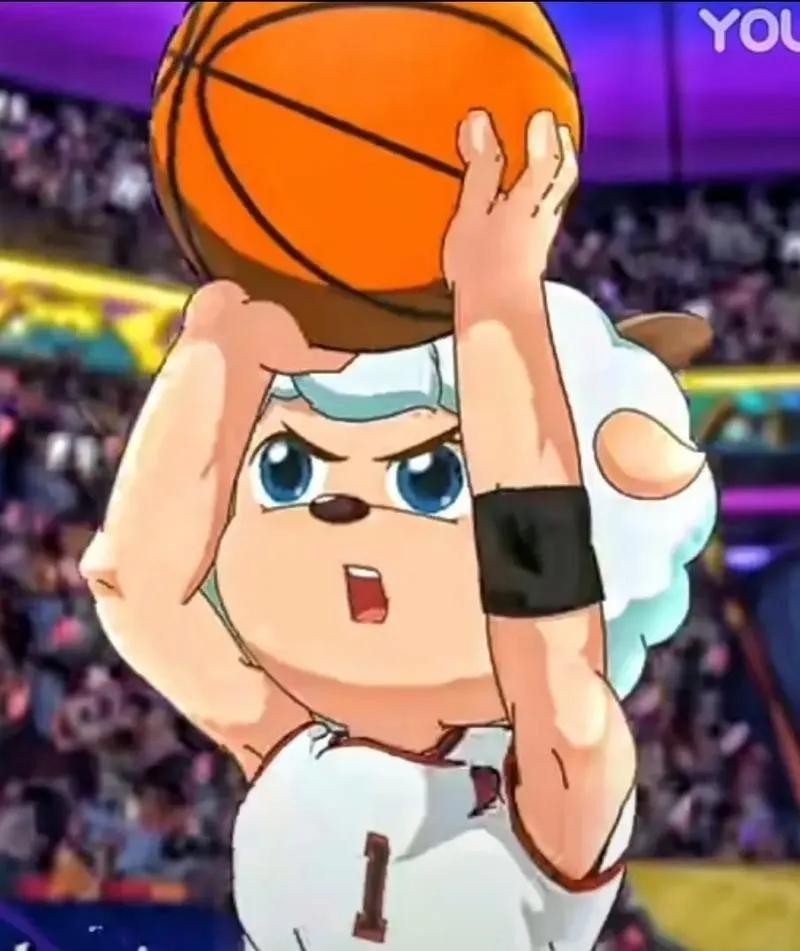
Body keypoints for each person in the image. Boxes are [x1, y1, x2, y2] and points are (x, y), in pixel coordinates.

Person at [81, 110, 716, 950]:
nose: (341, 511)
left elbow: (545, 627)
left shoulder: (555, 781)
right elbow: (135, 584)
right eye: (288, 470)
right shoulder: (299, 741)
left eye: (430, 477)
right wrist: (217, 353)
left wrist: (497, 311)